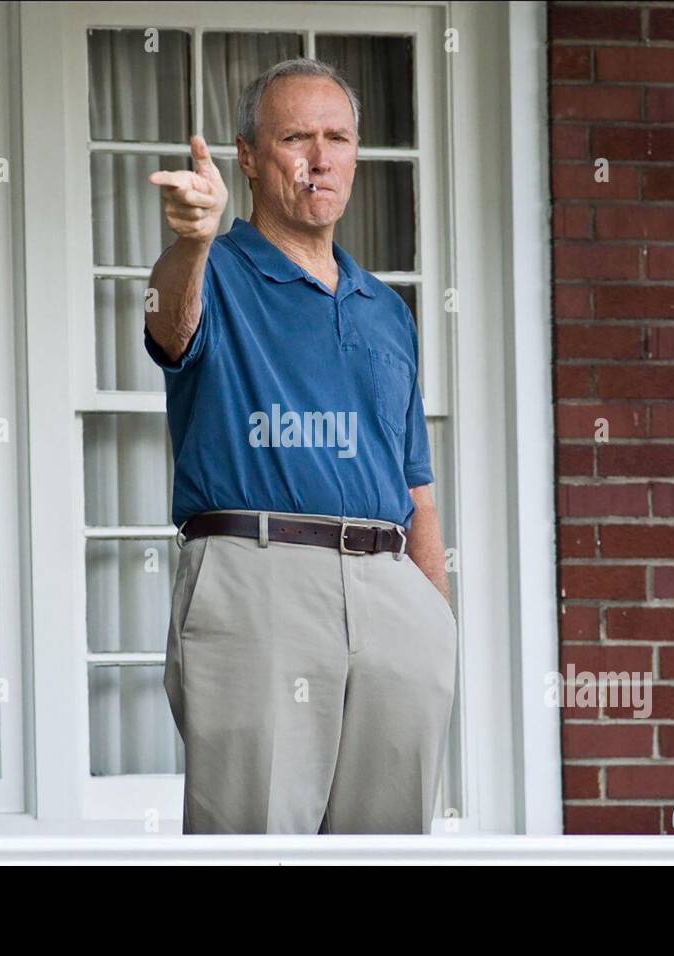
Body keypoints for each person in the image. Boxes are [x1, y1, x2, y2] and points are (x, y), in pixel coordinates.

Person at [144, 58, 456, 834]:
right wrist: (192, 240)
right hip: (259, 574)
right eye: (295, 138)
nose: (320, 159)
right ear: (249, 157)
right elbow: (168, 325)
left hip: (391, 590)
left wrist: (435, 615)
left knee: (388, 854)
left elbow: (413, 481)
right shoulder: (213, 270)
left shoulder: (386, 309)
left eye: (338, 137)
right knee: (253, 844)